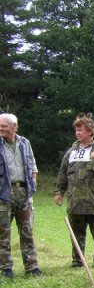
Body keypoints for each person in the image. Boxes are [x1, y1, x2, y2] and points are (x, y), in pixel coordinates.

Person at [54, 114, 94, 268]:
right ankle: (78, 260)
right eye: (76, 130)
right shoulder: (72, 150)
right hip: (75, 201)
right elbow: (63, 172)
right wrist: (59, 192)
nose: (77, 133)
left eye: (81, 130)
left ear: (90, 131)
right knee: (76, 234)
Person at [0, 113, 41, 278]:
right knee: (3, 233)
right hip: (3, 193)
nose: (0, 129)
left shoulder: (25, 143)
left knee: (27, 232)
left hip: (24, 192)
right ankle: (5, 268)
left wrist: (32, 185)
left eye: (3, 126)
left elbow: (33, 167)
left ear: (14, 127)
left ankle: (32, 267)